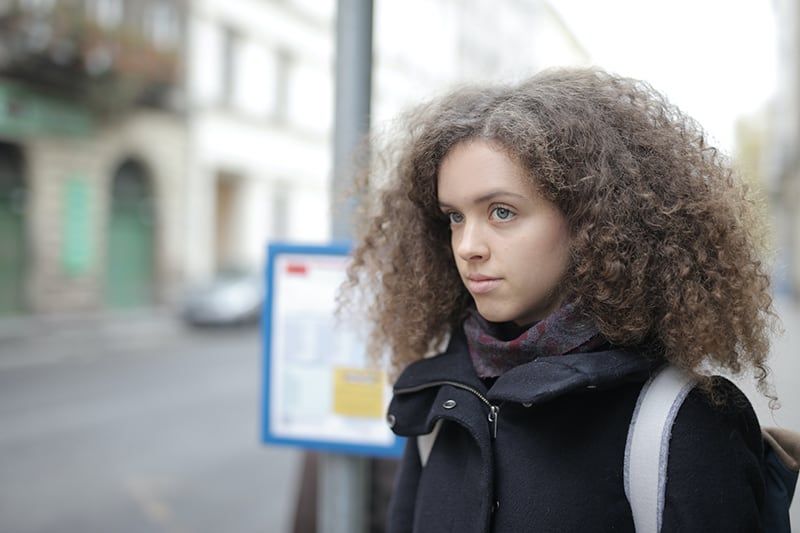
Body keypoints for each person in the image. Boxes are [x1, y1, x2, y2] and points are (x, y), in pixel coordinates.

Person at [341, 67, 791, 532]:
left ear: (590, 222)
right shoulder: (439, 404)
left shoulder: (676, 424)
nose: (467, 245)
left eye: (502, 212)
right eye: (455, 216)